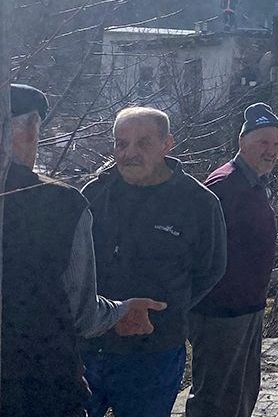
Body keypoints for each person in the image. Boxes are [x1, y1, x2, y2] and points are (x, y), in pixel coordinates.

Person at [1, 86, 166, 417]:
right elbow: (83, 315)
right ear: (28, 131)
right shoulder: (60, 203)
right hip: (38, 388)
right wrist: (121, 310)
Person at [81, 107, 227, 417]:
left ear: (166, 144)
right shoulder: (93, 194)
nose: (129, 153)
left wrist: (165, 310)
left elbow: (211, 269)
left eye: (143, 143)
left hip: (153, 352)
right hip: (90, 347)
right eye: (121, 143)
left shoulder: (199, 203)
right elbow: (73, 266)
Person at [186, 103, 278, 417]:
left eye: (276, 143)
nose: (271, 150)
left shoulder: (253, 183)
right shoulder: (225, 185)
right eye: (263, 142)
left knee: (241, 393)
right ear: (242, 142)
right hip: (220, 313)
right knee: (215, 399)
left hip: (246, 308)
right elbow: (195, 246)